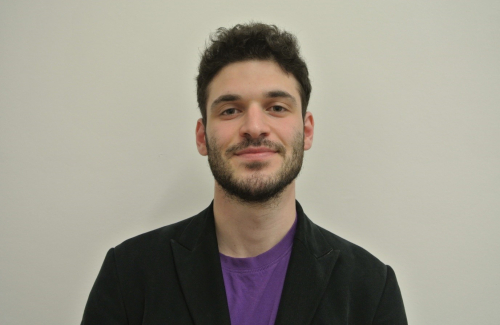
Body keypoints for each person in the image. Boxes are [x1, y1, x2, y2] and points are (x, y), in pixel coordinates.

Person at [81, 23, 407, 325]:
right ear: (201, 136)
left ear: (306, 132)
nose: (253, 127)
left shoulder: (370, 287)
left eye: (277, 107)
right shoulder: (128, 274)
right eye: (230, 110)